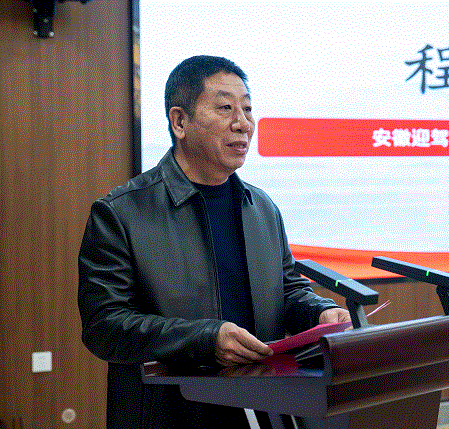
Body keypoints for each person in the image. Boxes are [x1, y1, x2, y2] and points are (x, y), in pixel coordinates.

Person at [78, 55, 350, 429]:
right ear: (180, 122)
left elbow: (287, 291)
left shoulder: (261, 207)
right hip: (169, 415)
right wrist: (205, 339)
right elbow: (104, 327)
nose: (244, 123)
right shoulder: (120, 213)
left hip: (262, 409)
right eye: (225, 108)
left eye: (248, 109)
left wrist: (319, 313)